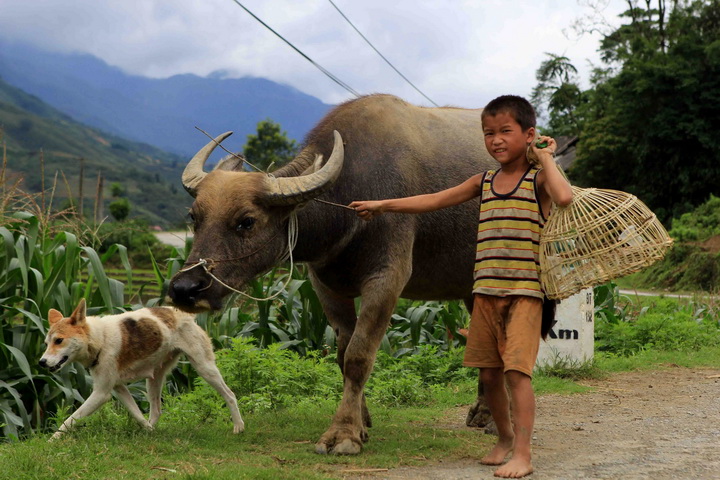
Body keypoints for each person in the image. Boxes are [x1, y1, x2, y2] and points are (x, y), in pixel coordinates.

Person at [348, 95, 573, 478]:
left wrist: (546, 156)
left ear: (529, 134)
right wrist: (383, 205)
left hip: (524, 293)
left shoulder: (538, 181)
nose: (496, 140)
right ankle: (503, 438)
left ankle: (523, 452)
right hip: (484, 291)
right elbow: (435, 200)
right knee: (488, 375)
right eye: (489, 133)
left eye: (506, 131)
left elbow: (565, 196)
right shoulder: (482, 181)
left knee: (517, 374)